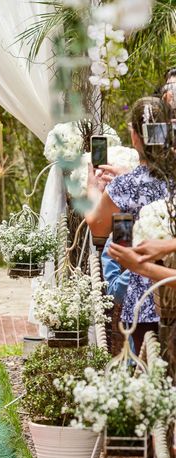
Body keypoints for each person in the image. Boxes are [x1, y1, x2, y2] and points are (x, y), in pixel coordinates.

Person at [85, 97, 170, 350]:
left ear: (134, 137)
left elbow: (97, 226)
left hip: (145, 294)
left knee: (147, 365)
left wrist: (93, 189)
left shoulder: (126, 185)